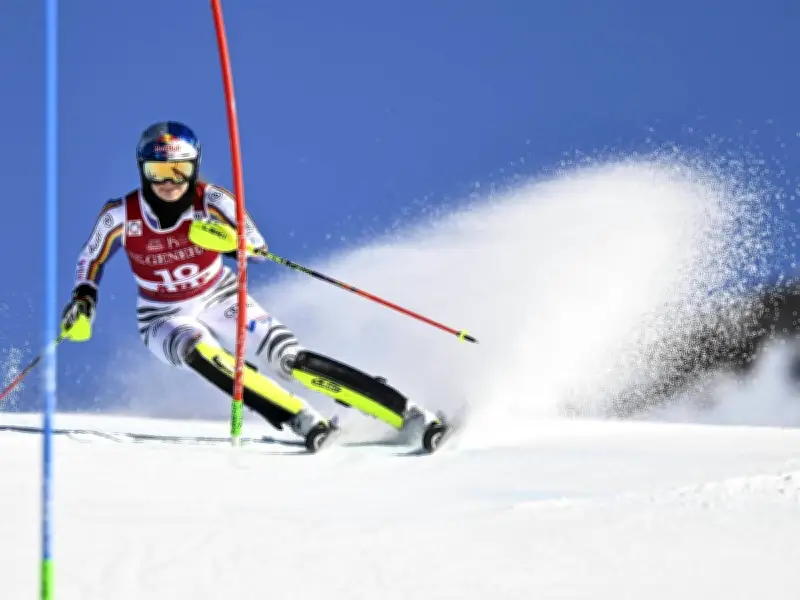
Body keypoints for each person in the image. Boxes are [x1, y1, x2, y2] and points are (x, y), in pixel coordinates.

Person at [59, 120, 449, 452]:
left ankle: (409, 416)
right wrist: (84, 297)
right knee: (200, 351)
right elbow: (90, 258)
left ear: (194, 167)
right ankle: (299, 419)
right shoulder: (120, 214)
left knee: (289, 359)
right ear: (142, 171)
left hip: (220, 295)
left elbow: (258, 247)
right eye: (158, 173)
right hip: (162, 316)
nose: (169, 182)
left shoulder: (211, 199)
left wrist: (229, 241)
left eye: (179, 170)